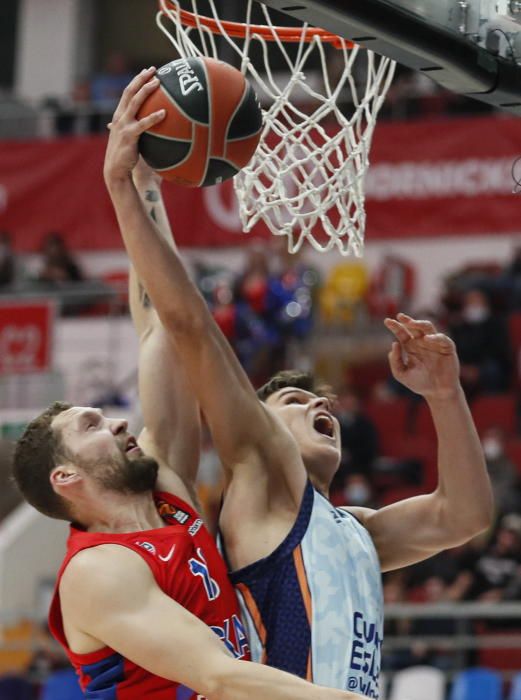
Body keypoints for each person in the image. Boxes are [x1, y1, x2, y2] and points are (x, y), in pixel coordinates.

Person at [104, 68, 493, 699]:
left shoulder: (355, 529)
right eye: (291, 398)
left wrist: (445, 397)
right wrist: (130, 186)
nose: (317, 400)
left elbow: (464, 515)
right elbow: (183, 329)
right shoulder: (261, 471)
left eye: (318, 398)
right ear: (255, 422)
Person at [11, 69, 369, 700]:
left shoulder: (169, 495)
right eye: (92, 427)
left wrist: (141, 181)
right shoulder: (97, 571)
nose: (118, 422)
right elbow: (217, 676)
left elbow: (161, 332)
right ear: (65, 478)